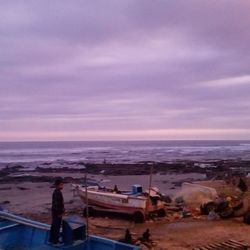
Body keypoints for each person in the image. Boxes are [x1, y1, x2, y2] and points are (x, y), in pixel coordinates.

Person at [49, 178, 65, 245]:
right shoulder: (57, 192)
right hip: (57, 213)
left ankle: (51, 239)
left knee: (54, 226)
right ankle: (55, 241)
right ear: (58, 185)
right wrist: (60, 213)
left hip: (55, 212)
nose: (63, 186)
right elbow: (56, 204)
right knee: (56, 226)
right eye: (61, 185)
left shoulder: (57, 191)